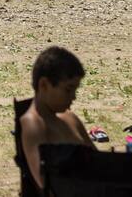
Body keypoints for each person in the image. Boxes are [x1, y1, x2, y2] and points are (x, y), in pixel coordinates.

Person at [19, 46, 93, 192]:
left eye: (75, 90)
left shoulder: (71, 119)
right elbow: (46, 184)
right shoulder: (34, 124)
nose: (73, 96)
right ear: (44, 85)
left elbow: (97, 161)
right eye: (68, 89)